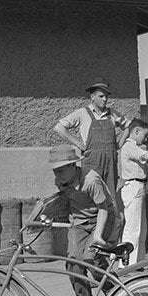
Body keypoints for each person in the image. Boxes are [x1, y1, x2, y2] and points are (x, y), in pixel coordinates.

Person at [38, 144, 117, 296]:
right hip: (79, 223)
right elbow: (65, 200)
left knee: (91, 259)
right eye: (55, 171)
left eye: (60, 170)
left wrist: (98, 236)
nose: (57, 175)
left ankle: (115, 294)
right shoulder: (61, 181)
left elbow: (103, 208)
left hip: (102, 218)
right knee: (73, 262)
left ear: (73, 166)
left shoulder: (91, 181)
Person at [53, 80, 128, 232]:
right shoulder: (82, 113)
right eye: (101, 96)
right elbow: (59, 127)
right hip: (92, 160)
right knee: (89, 198)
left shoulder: (112, 114)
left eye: (106, 96)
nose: (105, 99)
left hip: (110, 162)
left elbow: (129, 125)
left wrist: (119, 142)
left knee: (111, 198)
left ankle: (110, 234)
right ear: (92, 97)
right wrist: (77, 143)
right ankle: (88, 230)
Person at [118, 120, 148, 264]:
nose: (145, 139)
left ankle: (137, 261)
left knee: (141, 229)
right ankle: (126, 263)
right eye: (144, 136)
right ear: (136, 132)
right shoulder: (129, 146)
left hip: (138, 186)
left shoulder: (134, 147)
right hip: (132, 185)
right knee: (132, 228)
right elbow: (145, 156)